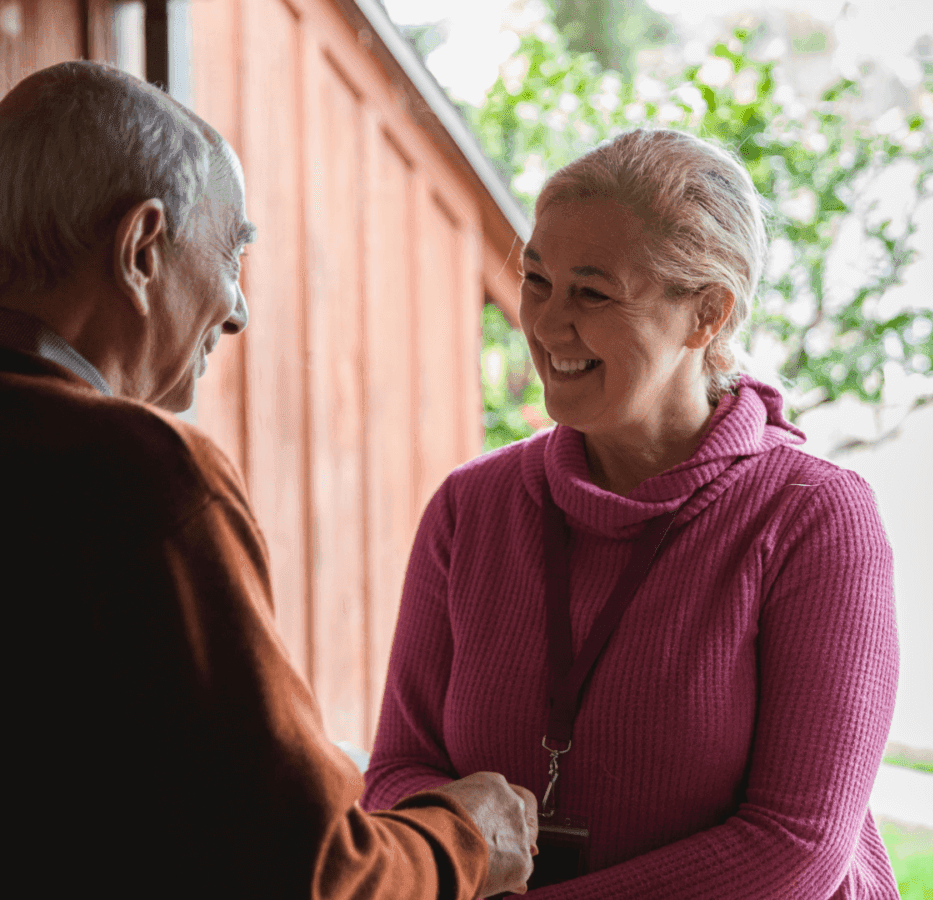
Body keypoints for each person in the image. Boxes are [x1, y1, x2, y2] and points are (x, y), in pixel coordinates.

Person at [0, 61, 537, 899]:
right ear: (141, 249)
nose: (239, 309)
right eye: (230, 253)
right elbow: (310, 872)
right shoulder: (141, 476)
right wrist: (467, 838)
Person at [361, 129, 901, 898]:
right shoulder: (469, 507)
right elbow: (397, 774)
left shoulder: (814, 519)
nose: (546, 327)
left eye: (592, 292)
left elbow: (796, 848)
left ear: (707, 314)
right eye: (538, 280)